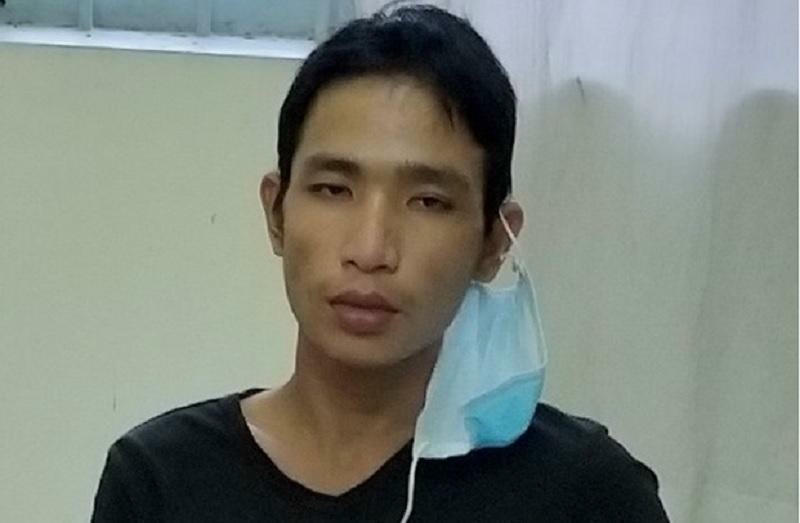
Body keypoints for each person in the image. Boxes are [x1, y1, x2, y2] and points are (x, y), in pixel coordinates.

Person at [92, 5, 669, 522]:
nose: (370, 250)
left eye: (428, 201)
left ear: (495, 241)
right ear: (276, 213)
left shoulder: (585, 494)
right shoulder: (161, 480)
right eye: (333, 189)